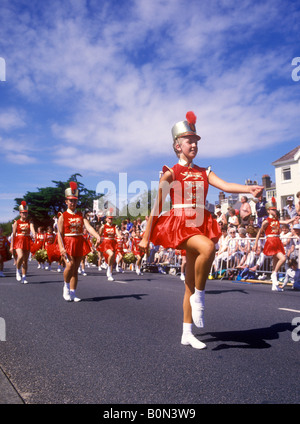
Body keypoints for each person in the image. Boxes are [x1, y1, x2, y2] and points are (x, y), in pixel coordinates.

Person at [139, 111, 263, 349]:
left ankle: (186, 332)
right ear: (178, 146)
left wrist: (249, 190)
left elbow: (226, 185)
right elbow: (156, 206)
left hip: (199, 222)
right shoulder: (171, 172)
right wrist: (146, 237)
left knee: (188, 283)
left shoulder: (204, 171)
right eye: (189, 141)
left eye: (196, 141)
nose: (194, 145)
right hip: (179, 223)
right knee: (208, 247)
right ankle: (201, 297)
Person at [57, 182, 100, 301]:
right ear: (66, 201)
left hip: (79, 242)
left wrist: (98, 236)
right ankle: (65, 286)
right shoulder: (62, 216)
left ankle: (73, 292)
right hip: (67, 243)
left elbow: (89, 227)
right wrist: (61, 248)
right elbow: (59, 234)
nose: (73, 203)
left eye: (75, 201)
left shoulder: (81, 215)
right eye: (70, 201)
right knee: (69, 265)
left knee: (75, 270)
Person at [254, 197, 296, 292]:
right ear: (268, 211)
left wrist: (294, 218)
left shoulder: (276, 220)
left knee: (275, 263)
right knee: (283, 258)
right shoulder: (266, 221)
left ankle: (274, 285)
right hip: (271, 241)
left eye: (274, 209)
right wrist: (255, 244)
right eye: (272, 209)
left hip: (277, 240)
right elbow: (259, 233)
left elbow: (286, 222)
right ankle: (274, 274)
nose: (274, 211)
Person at [11, 201, 36, 284]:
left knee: (25, 261)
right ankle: (18, 270)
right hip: (19, 240)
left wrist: (34, 234)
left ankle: (24, 277)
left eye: (26, 213)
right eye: (23, 213)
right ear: (20, 213)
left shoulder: (30, 222)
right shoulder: (16, 222)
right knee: (20, 256)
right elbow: (13, 235)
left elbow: (32, 229)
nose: (25, 214)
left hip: (27, 240)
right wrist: (11, 246)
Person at [99, 212, 122, 281]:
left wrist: (120, 236)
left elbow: (117, 233)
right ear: (106, 219)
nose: (110, 220)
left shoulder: (114, 226)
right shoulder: (104, 226)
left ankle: (110, 274)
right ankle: (108, 268)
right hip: (106, 243)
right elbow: (99, 234)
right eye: (109, 219)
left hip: (113, 243)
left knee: (112, 260)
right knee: (111, 254)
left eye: (111, 219)